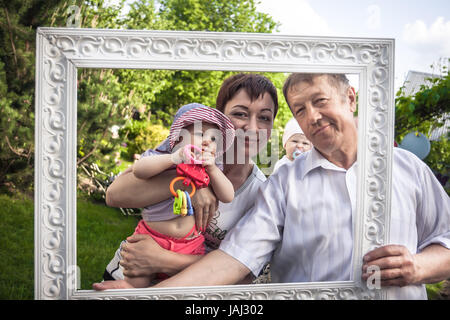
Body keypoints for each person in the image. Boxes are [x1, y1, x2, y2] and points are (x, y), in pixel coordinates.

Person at [149, 73, 450, 300]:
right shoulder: (283, 185)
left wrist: (418, 267)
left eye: (320, 101)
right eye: (300, 110)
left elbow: (445, 241)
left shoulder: (409, 168)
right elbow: (233, 260)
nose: (313, 118)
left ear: (351, 98)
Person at [93, 73, 278, 290]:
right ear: (220, 117)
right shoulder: (185, 145)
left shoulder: (261, 192)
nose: (253, 128)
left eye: (265, 117)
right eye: (240, 114)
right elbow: (115, 195)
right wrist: (192, 183)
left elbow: (242, 271)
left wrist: (161, 259)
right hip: (128, 273)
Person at [120, 103, 236, 288]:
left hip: (190, 245)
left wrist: (213, 169)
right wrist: (175, 158)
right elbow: (139, 170)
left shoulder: (212, 168)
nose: (207, 141)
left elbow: (228, 195)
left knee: (180, 289)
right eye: (200, 134)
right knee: (135, 285)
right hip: (150, 238)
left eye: (213, 138)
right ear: (179, 137)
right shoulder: (164, 158)